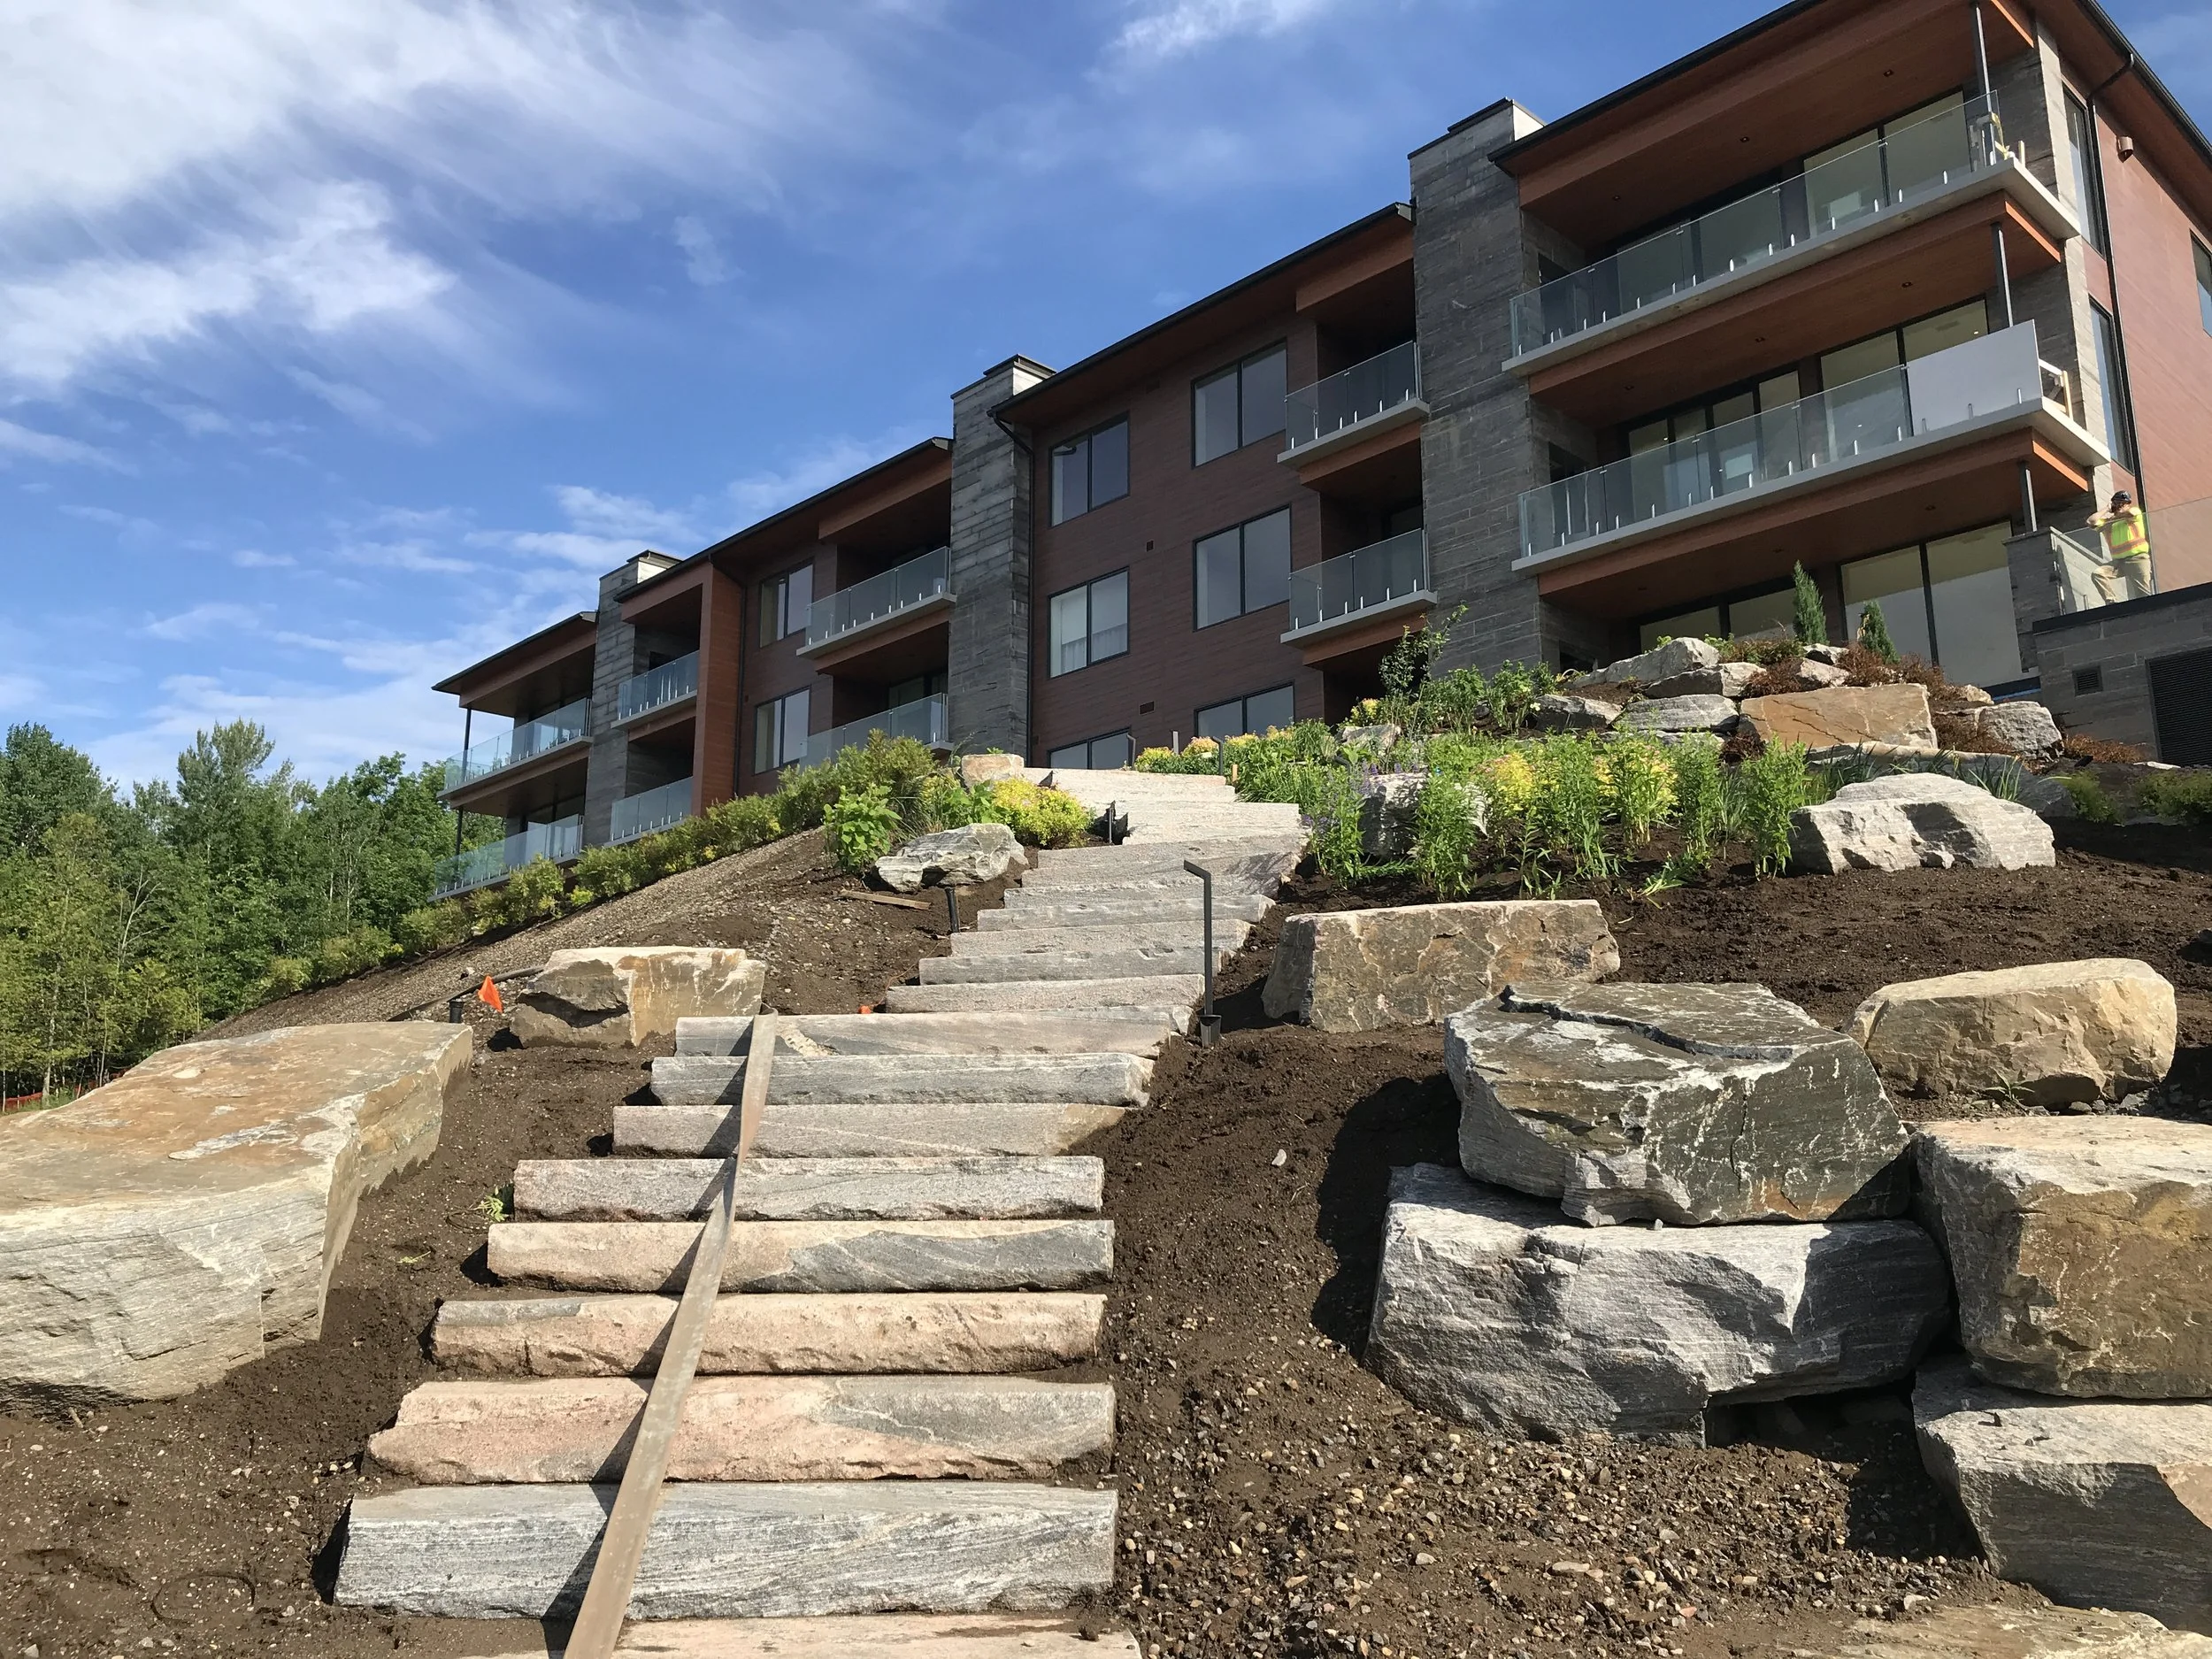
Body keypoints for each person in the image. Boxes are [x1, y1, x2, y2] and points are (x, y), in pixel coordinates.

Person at [2090, 490, 2155, 602]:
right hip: (2118, 562)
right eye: (2117, 503)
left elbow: (2130, 514)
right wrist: (2106, 509)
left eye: (2123, 503)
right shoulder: (2108, 522)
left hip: (2138, 558)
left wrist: (2115, 517)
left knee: (2143, 594)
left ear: (2128, 504)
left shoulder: (2134, 511)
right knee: (2098, 574)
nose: (2121, 506)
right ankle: (2111, 602)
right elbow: (2090, 521)